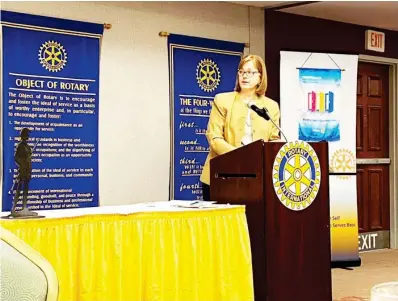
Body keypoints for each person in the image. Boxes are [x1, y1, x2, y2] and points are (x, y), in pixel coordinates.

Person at [200, 54, 281, 201]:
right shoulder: (222, 100)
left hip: (256, 178)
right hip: (221, 176)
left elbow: (274, 141)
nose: (244, 76)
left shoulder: (271, 106)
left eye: (250, 72)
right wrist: (242, 157)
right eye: (242, 71)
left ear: (260, 77)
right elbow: (214, 138)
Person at [11, 128, 37, 216]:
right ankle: (13, 208)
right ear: (24, 136)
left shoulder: (28, 147)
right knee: (19, 189)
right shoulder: (20, 146)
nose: (28, 137)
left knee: (26, 190)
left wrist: (29, 168)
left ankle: (24, 208)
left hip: (27, 171)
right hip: (22, 171)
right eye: (27, 135)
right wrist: (23, 162)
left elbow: (29, 160)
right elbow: (16, 158)